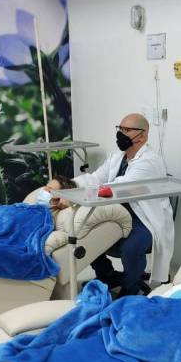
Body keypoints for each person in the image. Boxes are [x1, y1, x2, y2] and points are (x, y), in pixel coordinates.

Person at [69, 113, 174, 297]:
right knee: (87, 234)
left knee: (130, 247)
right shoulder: (117, 156)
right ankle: (106, 274)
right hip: (118, 214)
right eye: (120, 129)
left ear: (142, 135)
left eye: (127, 130)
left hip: (143, 219)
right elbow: (95, 178)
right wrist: (68, 185)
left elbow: (117, 187)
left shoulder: (149, 161)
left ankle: (130, 289)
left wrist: (87, 191)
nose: (121, 134)